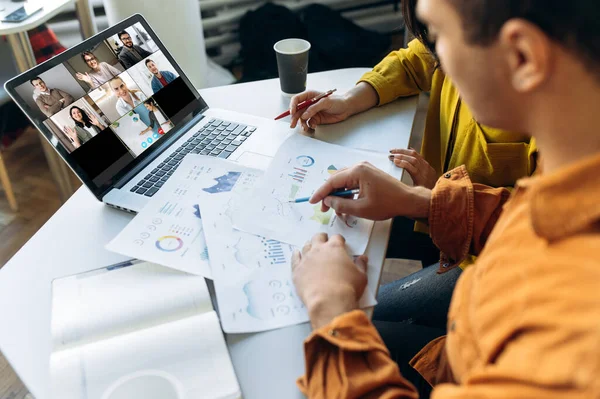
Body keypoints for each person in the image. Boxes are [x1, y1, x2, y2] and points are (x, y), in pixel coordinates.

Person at [291, 0, 600, 397]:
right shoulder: (570, 167)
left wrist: (330, 310)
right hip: (474, 313)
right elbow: (525, 222)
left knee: (352, 324)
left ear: (522, 56)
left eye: (437, 35)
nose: (432, 53)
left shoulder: (569, 345)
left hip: (461, 357)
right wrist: (424, 201)